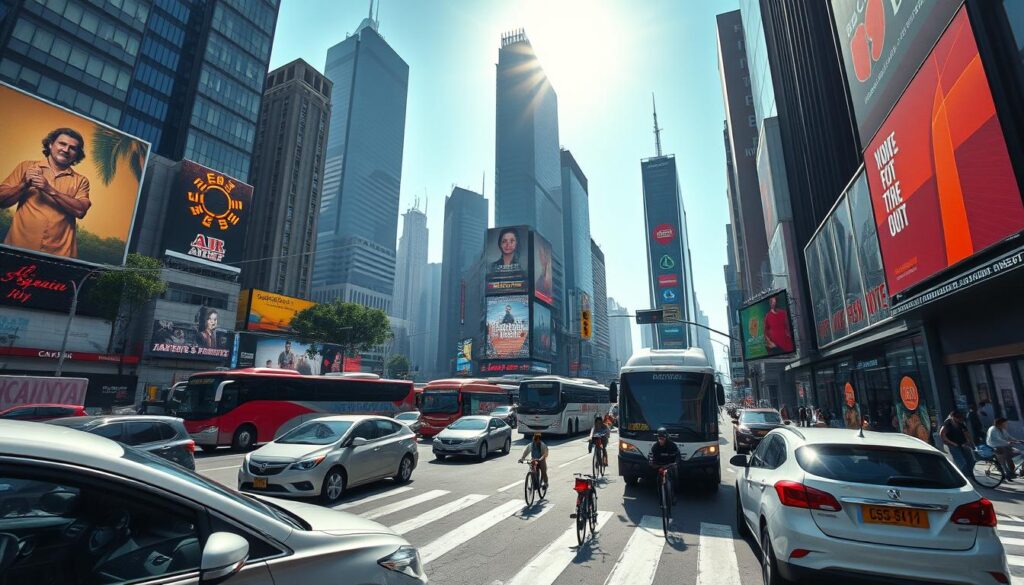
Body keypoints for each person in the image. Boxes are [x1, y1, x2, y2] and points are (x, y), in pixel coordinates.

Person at [0, 128, 92, 258]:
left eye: (72, 148)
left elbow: (80, 211)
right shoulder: (26, 167)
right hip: (18, 247)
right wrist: (24, 185)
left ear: (77, 154)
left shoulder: (81, 181)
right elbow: (2, 201)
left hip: (59, 256)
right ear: (50, 144)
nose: (66, 150)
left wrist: (49, 189)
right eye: (62, 144)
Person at [649, 427, 681, 504]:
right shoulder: (655, 446)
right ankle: (659, 495)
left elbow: (678, 455)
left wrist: (676, 463)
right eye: (659, 438)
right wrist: (651, 462)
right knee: (657, 479)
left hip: (670, 465)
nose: (661, 440)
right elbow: (650, 456)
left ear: (666, 438)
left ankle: (673, 495)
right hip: (659, 465)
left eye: (663, 438)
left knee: (674, 478)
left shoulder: (672, 445)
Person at [940, 410, 975, 477]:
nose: (959, 419)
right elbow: (942, 434)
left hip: (963, 443)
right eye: (957, 418)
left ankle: (971, 473)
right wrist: (952, 443)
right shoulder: (947, 423)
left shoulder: (960, 422)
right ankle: (965, 476)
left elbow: (967, 433)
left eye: (960, 418)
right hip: (953, 445)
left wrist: (970, 442)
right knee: (961, 461)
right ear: (952, 417)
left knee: (970, 459)